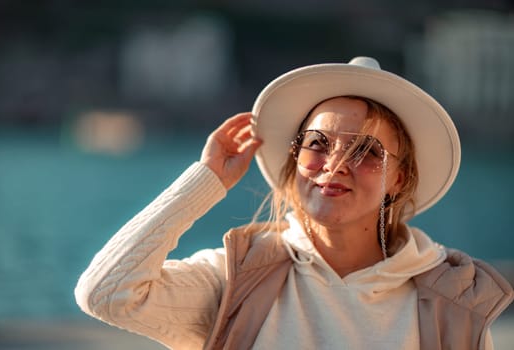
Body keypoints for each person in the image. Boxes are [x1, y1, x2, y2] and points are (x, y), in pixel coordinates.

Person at [75, 57, 513, 349]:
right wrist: (206, 181)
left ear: (398, 179)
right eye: (317, 144)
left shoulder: (452, 303)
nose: (334, 164)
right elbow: (107, 295)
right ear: (295, 158)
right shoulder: (239, 278)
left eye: (365, 152)